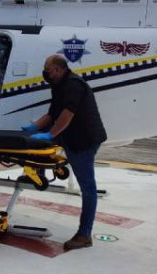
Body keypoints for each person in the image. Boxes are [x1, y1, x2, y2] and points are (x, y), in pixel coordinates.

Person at [23, 55, 107, 251]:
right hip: (70, 137)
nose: (45, 74)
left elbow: (67, 115)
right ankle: (38, 173)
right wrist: (32, 128)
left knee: (87, 187)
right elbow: (52, 114)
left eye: (48, 70)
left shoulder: (73, 85)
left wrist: (50, 134)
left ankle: (84, 234)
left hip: (83, 141)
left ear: (58, 70)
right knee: (36, 146)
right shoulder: (59, 84)